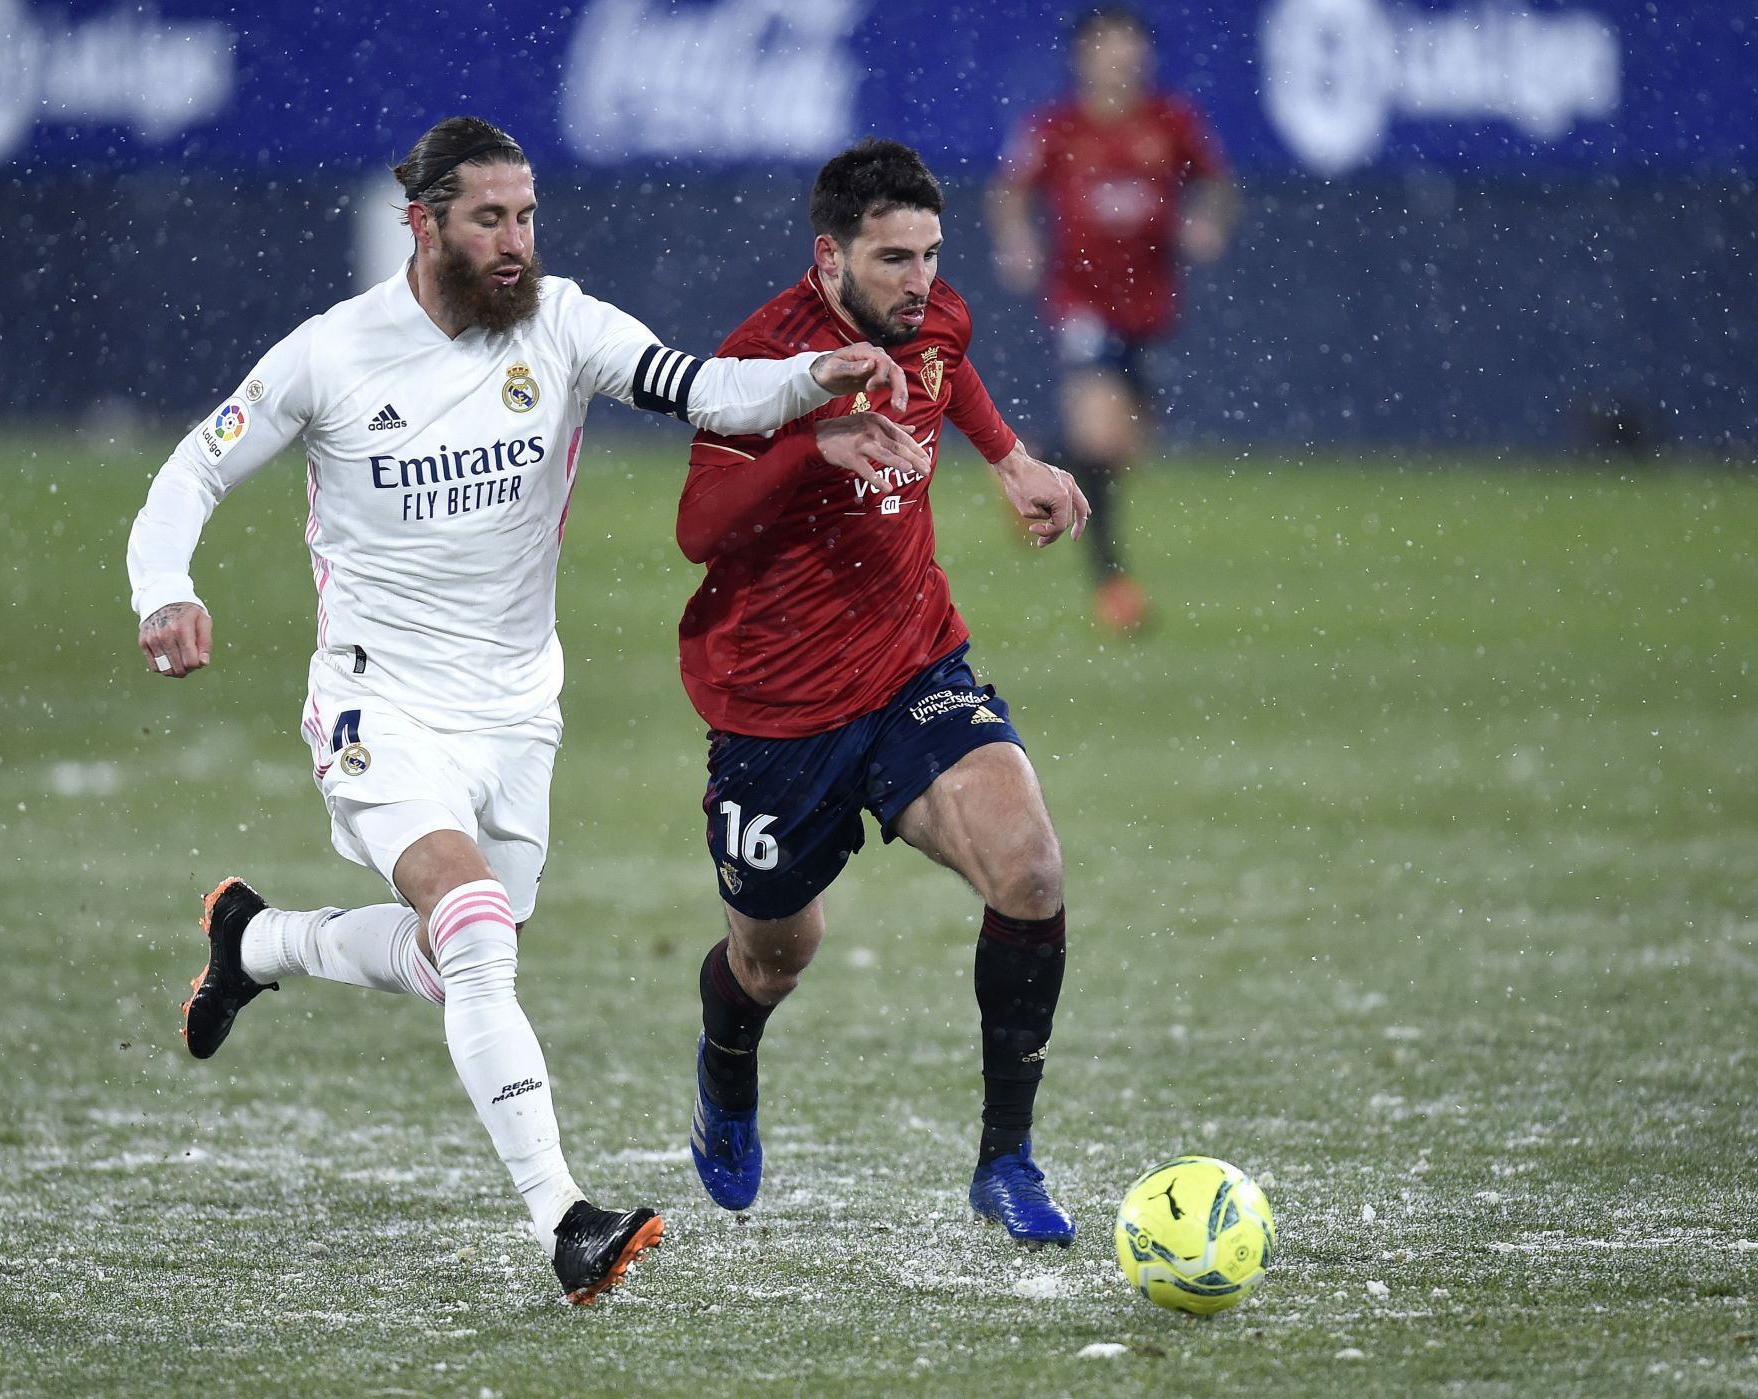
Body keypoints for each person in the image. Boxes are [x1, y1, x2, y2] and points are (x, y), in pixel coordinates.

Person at [125, 116, 926, 1304]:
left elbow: (703, 386)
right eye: (490, 220)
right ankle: (568, 1219)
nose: (516, 243)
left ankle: (255, 940)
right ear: (425, 224)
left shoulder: (559, 323)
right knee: (477, 927)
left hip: (517, 713)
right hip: (378, 703)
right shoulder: (333, 355)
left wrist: (817, 376)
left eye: (528, 217)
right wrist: (165, 589)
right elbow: (194, 465)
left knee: (463, 961)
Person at [673, 138, 1092, 1247]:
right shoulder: (760, 365)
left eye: (931, 254)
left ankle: (1006, 1159)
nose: (920, 280)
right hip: (777, 709)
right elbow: (697, 530)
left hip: (914, 666)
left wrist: (1012, 460)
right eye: (893, 257)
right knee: (774, 959)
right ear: (828, 257)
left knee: (1032, 871)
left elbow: (953, 371)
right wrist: (815, 446)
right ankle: (726, 1064)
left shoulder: (930, 315)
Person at [987, 3, 1237, 632]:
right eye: (1108, 46)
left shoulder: (1171, 122)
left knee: (1125, 451)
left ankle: (1030, 461)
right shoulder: (1057, 128)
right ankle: (1114, 588)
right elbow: (1009, 191)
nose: (1121, 57)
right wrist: (1018, 242)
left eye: (1130, 46)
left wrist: (1209, 220)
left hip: (1151, 308)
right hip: (1083, 301)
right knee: (1101, 441)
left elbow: (1218, 184)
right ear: (1085, 56)